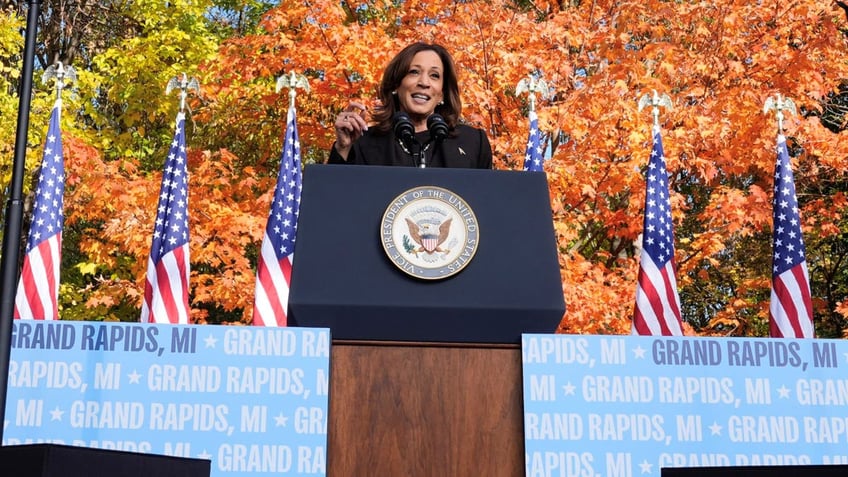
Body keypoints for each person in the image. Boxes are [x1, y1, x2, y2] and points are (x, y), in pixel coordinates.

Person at [328, 43, 492, 169]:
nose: (424, 83)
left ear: (442, 93)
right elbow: (333, 201)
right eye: (414, 72)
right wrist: (343, 148)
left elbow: (487, 204)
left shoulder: (473, 143)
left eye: (434, 75)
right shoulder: (364, 143)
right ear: (395, 84)